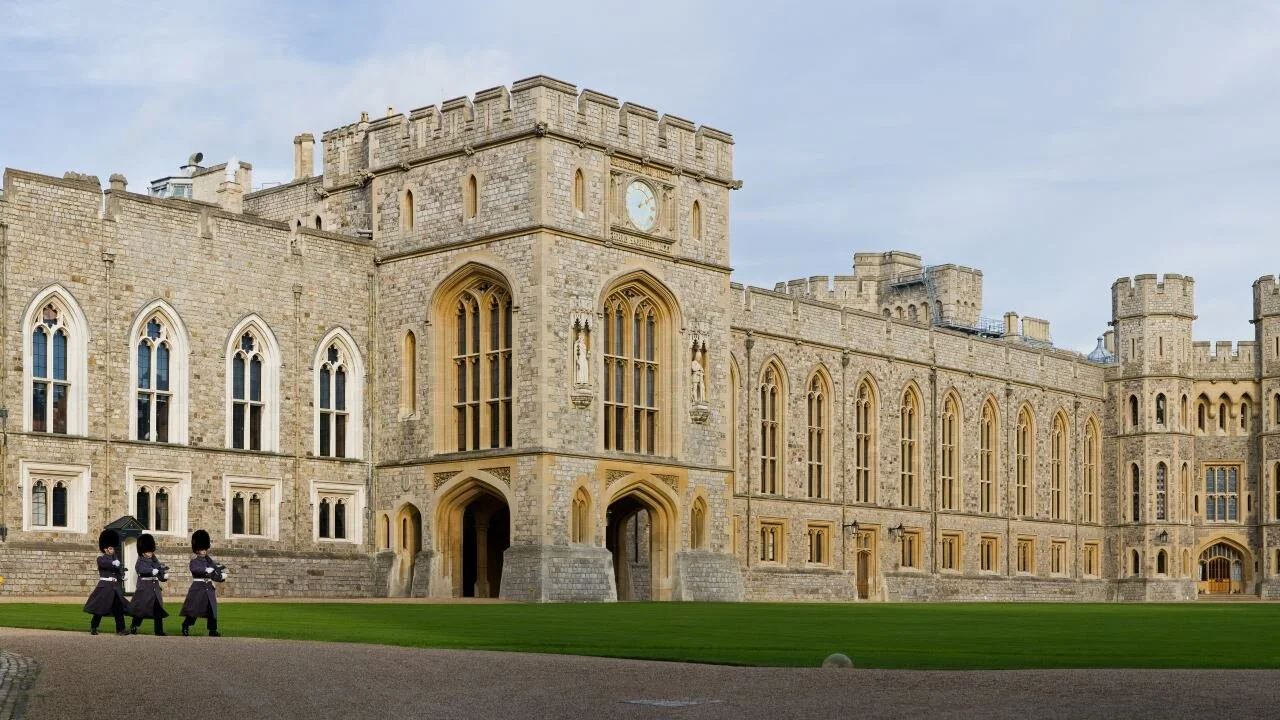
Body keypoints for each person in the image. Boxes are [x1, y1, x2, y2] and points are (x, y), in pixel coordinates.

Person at [179, 529, 227, 637]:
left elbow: (213, 575)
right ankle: (186, 625)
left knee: (212, 610)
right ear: (197, 550)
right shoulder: (194, 561)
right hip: (198, 588)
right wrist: (205, 570)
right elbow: (195, 570)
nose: (204, 551)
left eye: (205, 549)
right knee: (194, 611)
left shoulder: (210, 562)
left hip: (209, 588)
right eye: (202, 549)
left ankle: (212, 630)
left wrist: (221, 577)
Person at [83, 528, 130, 635]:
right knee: (100, 608)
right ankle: (94, 627)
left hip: (114, 587)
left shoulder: (116, 559)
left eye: (113, 548)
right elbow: (104, 564)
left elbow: (118, 572)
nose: (112, 550)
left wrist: (122, 575)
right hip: (105, 587)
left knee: (118, 608)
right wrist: (113, 563)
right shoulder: (101, 559)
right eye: (110, 548)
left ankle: (120, 629)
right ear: (105, 549)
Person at [129, 532, 170, 636]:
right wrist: (152, 571)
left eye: (151, 551)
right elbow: (141, 570)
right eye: (148, 551)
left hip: (155, 589)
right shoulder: (140, 561)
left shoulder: (155, 561)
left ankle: (159, 630)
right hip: (145, 589)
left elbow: (159, 572)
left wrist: (164, 577)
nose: (150, 553)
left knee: (158, 609)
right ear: (143, 552)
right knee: (141, 610)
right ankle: (134, 625)